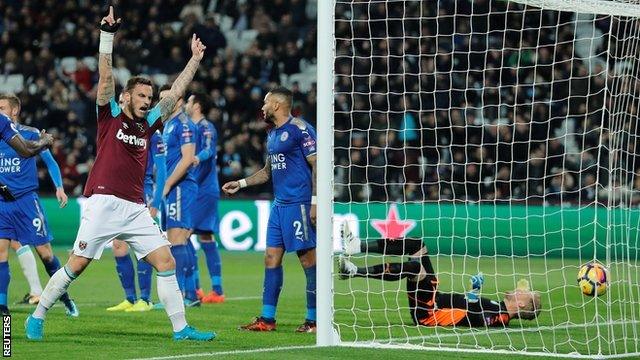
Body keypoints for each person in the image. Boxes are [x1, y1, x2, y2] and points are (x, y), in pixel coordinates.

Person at [25, 6, 214, 341]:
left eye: (150, 97)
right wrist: (107, 35)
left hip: (135, 207)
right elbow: (106, 76)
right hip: (103, 203)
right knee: (77, 265)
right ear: (127, 96)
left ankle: (182, 329)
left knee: (166, 262)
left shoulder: (149, 122)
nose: (147, 101)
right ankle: (37, 317)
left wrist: (195, 60)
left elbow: (175, 96)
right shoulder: (109, 115)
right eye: (141, 96)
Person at [222, 87, 318, 333]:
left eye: (265, 103)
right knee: (271, 258)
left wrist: (315, 202)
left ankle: (314, 320)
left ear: (276, 104)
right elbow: (267, 172)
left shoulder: (300, 129)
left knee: (308, 260)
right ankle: (267, 319)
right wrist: (241, 183)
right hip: (279, 206)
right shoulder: (273, 134)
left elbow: (317, 163)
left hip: (299, 204)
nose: (262, 107)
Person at [338, 222, 542, 327]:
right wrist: (474, 292)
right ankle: (357, 246)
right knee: (417, 245)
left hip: (430, 313)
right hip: (434, 297)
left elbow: (474, 318)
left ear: (523, 304)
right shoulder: (498, 307)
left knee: (415, 268)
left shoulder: (501, 318)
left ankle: (353, 270)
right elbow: (470, 308)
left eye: (526, 293)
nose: (521, 289)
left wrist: (471, 299)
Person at [0, 94, 76, 315]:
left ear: (14, 111)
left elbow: (50, 163)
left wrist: (59, 187)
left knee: (45, 254)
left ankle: (65, 296)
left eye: (2, 107)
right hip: (3, 203)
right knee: (1, 252)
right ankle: (3, 306)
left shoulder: (30, 134)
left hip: (27, 201)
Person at [107, 95, 166, 313]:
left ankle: (145, 299)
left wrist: (156, 201)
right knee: (118, 245)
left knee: (143, 246)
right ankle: (129, 298)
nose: (122, 105)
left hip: (145, 192)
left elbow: (163, 170)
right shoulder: (119, 129)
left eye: (124, 102)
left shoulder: (151, 131)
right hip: (121, 193)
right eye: (120, 102)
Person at [159, 85, 199, 307]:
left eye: (167, 99)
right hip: (173, 188)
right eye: (160, 99)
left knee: (176, 240)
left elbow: (187, 158)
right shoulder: (168, 125)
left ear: (179, 101)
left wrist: (166, 184)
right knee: (178, 239)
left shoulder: (183, 125)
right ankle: (190, 294)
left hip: (181, 187)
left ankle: (182, 294)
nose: (162, 104)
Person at [185, 92, 224, 304]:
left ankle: (208, 289)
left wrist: (196, 158)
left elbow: (209, 149)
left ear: (197, 105)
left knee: (185, 234)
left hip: (204, 190)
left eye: (189, 101)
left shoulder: (206, 127)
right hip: (193, 189)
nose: (186, 104)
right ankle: (201, 288)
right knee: (200, 237)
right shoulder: (188, 127)